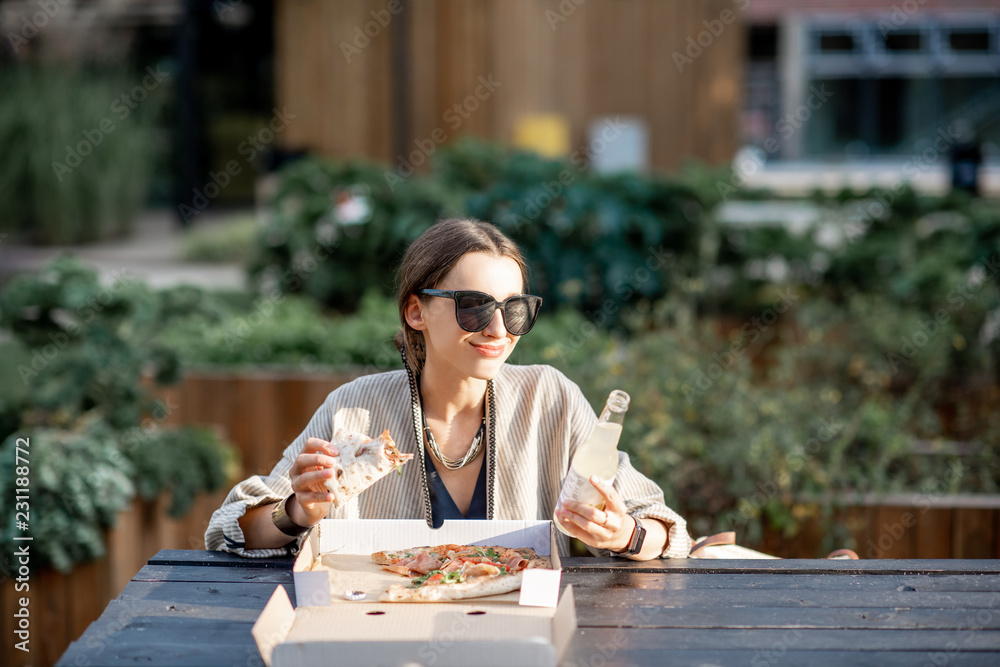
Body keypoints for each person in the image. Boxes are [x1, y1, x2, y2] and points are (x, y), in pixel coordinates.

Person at [205, 218, 692, 560]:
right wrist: (298, 511)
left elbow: (664, 529)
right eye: (474, 307)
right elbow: (230, 530)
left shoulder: (552, 400)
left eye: (516, 309)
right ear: (416, 311)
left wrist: (622, 534)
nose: (499, 329)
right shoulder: (355, 411)